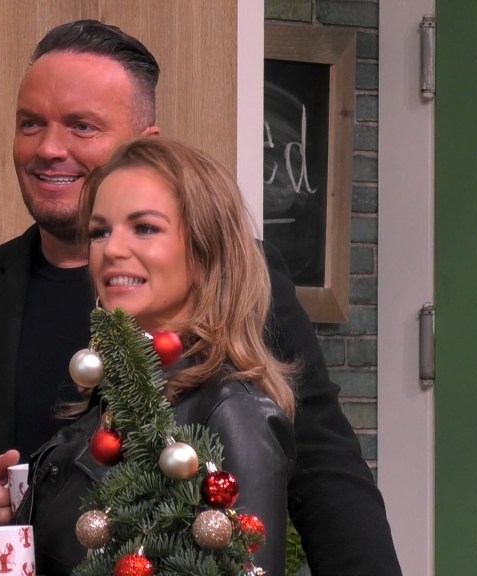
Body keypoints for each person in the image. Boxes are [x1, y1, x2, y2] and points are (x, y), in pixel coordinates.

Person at [0, 19, 402, 576]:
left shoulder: (241, 278)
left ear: (146, 145)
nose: (49, 148)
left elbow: (329, 479)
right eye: (30, 123)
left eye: (82, 126)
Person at [20, 135, 296, 576]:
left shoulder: (233, 412)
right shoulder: (117, 400)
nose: (111, 250)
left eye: (145, 228)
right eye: (99, 232)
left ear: (205, 253)